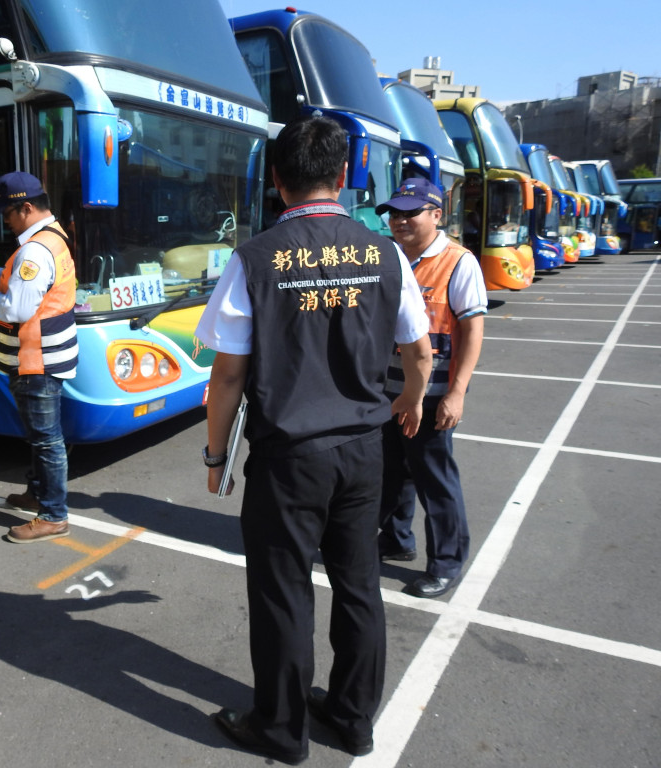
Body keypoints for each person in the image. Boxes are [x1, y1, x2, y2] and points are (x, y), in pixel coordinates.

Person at [197, 116, 432, 765]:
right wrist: (409, 399)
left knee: (284, 591)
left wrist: (217, 455)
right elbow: (419, 349)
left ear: (276, 181)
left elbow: (227, 377)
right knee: (360, 586)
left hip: (289, 457)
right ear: (347, 176)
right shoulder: (383, 252)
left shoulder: (255, 259)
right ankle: (354, 720)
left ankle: (281, 727)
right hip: (363, 451)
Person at [375, 177, 487, 598]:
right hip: (390, 390)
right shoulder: (389, 257)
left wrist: (456, 393)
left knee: (434, 479)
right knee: (393, 471)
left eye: (411, 212)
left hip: (434, 393)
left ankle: (446, 563)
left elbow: (472, 331)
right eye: (395, 213)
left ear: (436, 215)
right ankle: (396, 540)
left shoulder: (458, 262)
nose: (400, 221)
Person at [0, 171, 78, 544]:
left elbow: (15, 309)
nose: (5, 220)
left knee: (46, 440)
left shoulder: (33, 250)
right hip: (43, 355)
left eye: (8, 213)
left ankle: (54, 516)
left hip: (36, 359)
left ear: (26, 207)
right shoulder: (53, 237)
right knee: (40, 437)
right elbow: (34, 287)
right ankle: (38, 494)